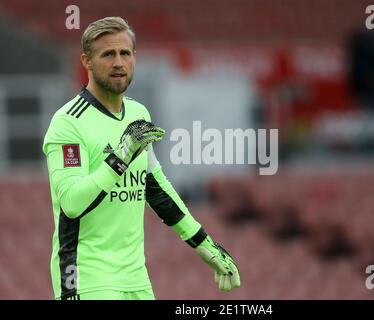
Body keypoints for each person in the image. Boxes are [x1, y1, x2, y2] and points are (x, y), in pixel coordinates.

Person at [42, 17, 240, 300]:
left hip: (136, 278)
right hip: (86, 278)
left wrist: (203, 243)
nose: (118, 62)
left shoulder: (138, 115)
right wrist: (121, 155)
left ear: (135, 57)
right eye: (108, 54)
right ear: (86, 61)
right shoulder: (68, 123)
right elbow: (72, 203)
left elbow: (156, 188)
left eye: (125, 53)